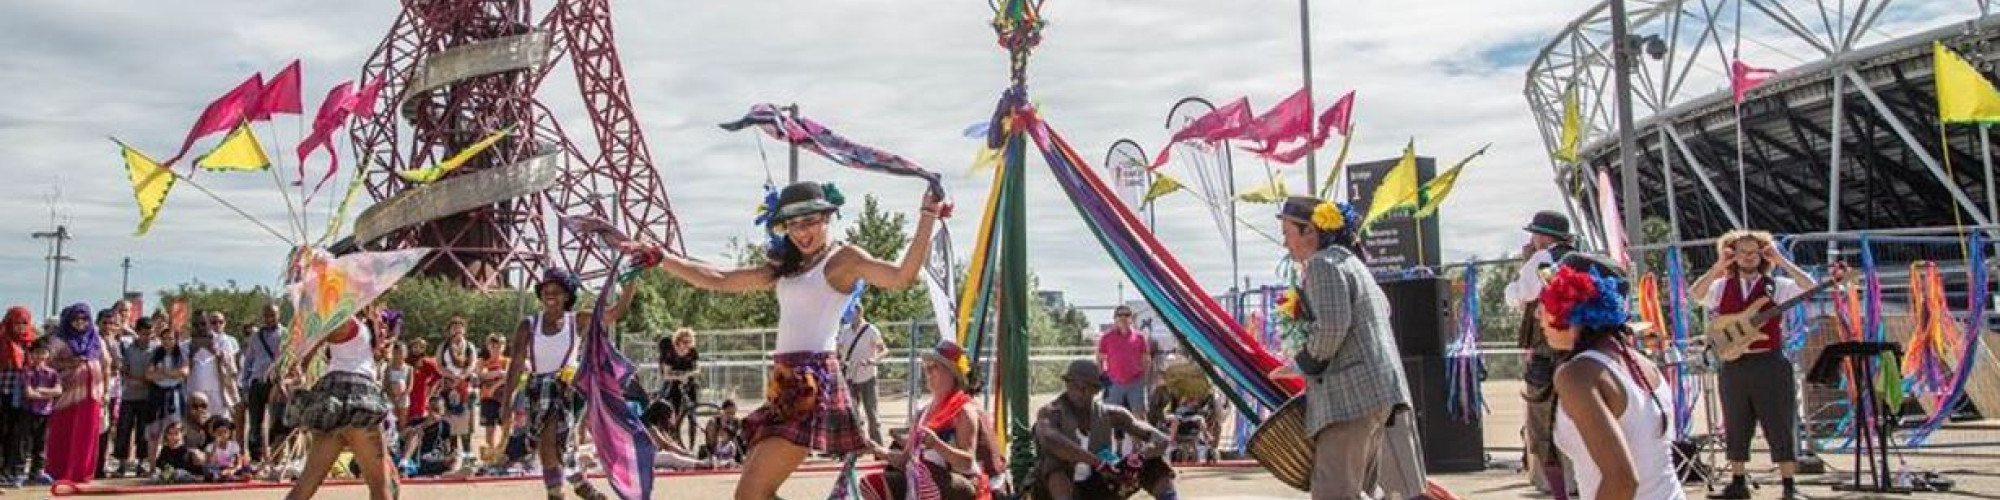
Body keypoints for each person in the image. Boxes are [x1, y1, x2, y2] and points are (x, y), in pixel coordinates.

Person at [625, 180, 943, 500]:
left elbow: (903, 277)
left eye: (809, 222)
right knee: (755, 494)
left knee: (750, 495)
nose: (802, 232)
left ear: (827, 218)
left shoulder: (842, 259)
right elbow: (720, 280)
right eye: (793, 224)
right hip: (784, 382)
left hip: (812, 384)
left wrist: (927, 214)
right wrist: (662, 258)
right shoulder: (787, 267)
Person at [1275, 197, 1414, 500]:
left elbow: (1332, 328)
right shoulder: (1352, 263)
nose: (1285, 243)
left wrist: (1305, 361)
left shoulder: (1324, 265)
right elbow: (1383, 309)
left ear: (1310, 231)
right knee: (1363, 489)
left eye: (1287, 233)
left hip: (1350, 398)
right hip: (1375, 393)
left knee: (1333, 492)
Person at [1539, 253, 1686, 500]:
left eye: (1545, 302)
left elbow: (1622, 481)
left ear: (1567, 306)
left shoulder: (1578, 375)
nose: (1538, 315)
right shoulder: (1640, 363)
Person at [1688, 230, 1816, 500]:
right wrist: (1718, 267)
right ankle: (1738, 482)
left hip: (1769, 361)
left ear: (1762, 254)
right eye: (1742, 252)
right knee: (1736, 421)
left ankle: (1789, 486)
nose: (1748, 257)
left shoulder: (1775, 285)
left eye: (1754, 251)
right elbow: (1696, 294)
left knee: (1779, 420)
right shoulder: (1721, 286)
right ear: (1732, 254)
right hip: (1734, 363)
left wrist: (1781, 261)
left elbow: (1809, 287)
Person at [497, 268, 636, 500]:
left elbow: (614, 313)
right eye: (546, 291)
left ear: (567, 296)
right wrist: (506, 403)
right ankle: (582, 486)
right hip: (537, 389)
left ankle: (556, 494)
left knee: (550, 440)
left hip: (566, 389)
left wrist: (631, 281)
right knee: (555, 446)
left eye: (557, 291)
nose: (550, 295)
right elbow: (516, 365)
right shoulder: (528, 325)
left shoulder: (577, 320)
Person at [281, 306, 398, 500]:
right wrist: (301, 363)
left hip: (335, 405)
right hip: (358, 399)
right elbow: (320, 333)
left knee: (307, 482)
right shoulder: (346, 319)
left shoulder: (361, 323)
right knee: (381, 484)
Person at [1503, 210, 1580, 499]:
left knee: (1542, 422)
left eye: (1535, 233)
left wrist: (1523, 269)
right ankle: (1576, 483)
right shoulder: (1577, 259)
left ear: (1544, 236)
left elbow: (1518, 294)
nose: (1532, 239)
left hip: (1548, 353)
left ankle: (1556, 488)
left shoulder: (1542, 260)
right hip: (1578, 351)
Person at [861, 340, 994, 500]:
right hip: (921, 481)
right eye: (926, 367)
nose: (927, 371)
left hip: (958, 483)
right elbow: (905, 459)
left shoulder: (964, 411)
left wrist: (937, 444)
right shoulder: (922, 412)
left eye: (934, 367)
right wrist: (876, 449)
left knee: (926, 477)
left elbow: (966, 463)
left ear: (951, 373)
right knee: (871, 483)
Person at [1028, 360, 1176, 500]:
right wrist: (1098, 463)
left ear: (1097, 390)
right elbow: (1051, 439)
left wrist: (1141, 456)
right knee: (1055, 462)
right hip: (1053, 492)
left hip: (1097, 487)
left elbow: (1162, 439)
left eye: (1086, 388)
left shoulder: (1113, 414)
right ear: (1067, 385)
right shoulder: (1051, 412)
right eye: (1075, 386)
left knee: (1152, 462)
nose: (1080, 392)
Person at [46, 303, 113, 485]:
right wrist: (69, 363)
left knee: (87, 434)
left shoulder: (96, 339)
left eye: (84, 319)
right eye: (76, 319)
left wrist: (106, 391)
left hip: (92, 394)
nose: (80, 323)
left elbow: (106, 365)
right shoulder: (59, 340)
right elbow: (47, 363)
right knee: (64, 431)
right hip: (67, 394)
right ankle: (58, 471)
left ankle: (81, 472)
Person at [239, 304, 287, 463]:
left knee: (277, 421)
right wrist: (245, 383)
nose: (269, 319)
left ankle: (276, 457)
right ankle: (256, 458)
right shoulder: (256, 336)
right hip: (257, 381)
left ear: (279, 315)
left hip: (277, 382)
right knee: (255, 422)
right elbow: (249, 360)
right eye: (266, 316)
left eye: (272, 315)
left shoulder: (286, 334)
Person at [112, 315, 159, 477]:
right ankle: (122, 463)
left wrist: (145, 380)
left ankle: (141, 463)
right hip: (129, 395)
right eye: (144, 332)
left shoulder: (156, 348)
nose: (147, 336)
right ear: (138, 332)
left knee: (143, 431)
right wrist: (131, 379)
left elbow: (156, 371)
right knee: (123, 429)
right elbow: (123, 368)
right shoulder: (128, 347)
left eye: (150, 332)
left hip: (147, 395)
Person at [0, 307, 38, 486]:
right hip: (4, 391)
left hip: (23, 394)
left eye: (24, 323)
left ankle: (11, 469)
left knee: (18, 433)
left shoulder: (31, 343)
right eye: (17, 322)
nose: (21, 327)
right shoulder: (2, 339)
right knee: (3, 431)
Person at [837, 308, 887, 444]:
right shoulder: (845, 331)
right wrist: (841, 361)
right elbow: (838, 349)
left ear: (860, 313)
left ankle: (878, 448)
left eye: (852, 313)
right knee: (852, 415)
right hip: (850, 376)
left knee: (872, 413)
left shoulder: (871, 330)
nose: (849, 316)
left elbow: (884, 350)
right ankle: (856, 446)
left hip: (868, 376)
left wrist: (873, 360)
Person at [1096, 305, 1153, 423]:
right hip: (1114, 382)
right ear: (1115, 318)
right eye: (1119, 315)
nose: (1123, 318)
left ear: (1131, 318)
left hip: (1135, 382)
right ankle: (1115, 441)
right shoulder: (1106, 338)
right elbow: (1099, 358)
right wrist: (1102, 375)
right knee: (1110, 416)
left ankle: (1142, 441)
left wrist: (1145, 379)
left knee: (1140, 416)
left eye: (1126, 315)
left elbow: (1146, 359)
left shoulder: (1140, 337)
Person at [436, 317, 480, 455]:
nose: (457, 329)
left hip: (464, 387)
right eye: (453, 327)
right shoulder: (443, 346)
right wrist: (451, 376)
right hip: (448, 386)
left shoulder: (469, 346)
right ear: (449, 331)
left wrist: (461, 377)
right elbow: (439, 365)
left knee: (466, 423)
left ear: (464, 330)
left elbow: (472, 364)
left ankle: (468, 456)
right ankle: (452, 456)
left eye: (459, 327)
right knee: (451, 424)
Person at [185, 311, 238, 423]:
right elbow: (183, 371)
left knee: (220, 425)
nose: (200, 327)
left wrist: (215, 351)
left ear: (208, 323)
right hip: (195, 393)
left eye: (203, 324)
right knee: (197, 427)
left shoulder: (222, 341)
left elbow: (230, 366)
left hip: (218, 392)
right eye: (196, 324)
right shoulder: (186, 344)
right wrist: (191, 353)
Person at [20, 341, 60, 486]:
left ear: (48, 354)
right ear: (31, 354)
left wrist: (41, 391)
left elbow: (58, 391)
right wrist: (48, 393)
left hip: (46, 412)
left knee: (41, 443)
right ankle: (19, 473)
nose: (40, 356)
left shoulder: (52, 373)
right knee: (25, 443)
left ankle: (36, 473)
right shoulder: (27, 371)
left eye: (43, 352)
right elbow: (29, 393)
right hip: (29, 411)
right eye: (36, 352)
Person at [148, 322, 191, 455]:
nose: (167, 341)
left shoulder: (181, 353)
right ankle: (154, 465)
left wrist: (164, 373)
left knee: (175, 428)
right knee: (155, 430)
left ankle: (178, 461)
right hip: (158, 393)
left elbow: (184, 372)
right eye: (165, 338)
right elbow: (149, 374)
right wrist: (172, 373)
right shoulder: (156, 353)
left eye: (171, 338)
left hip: (175, 393)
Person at [656, 327, 701, 430]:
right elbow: (666, 375)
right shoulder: (671, 353)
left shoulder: (692, 352)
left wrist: (687, 375)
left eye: (689, 341)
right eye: (685, 342)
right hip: (675, 384)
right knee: (675, 410)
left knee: (692, 413)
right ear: (678, 341)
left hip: (690, 383)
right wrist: (678, 377)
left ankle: (691, 441)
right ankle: (673, 434)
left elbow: (697, 369)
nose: (687, 344)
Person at [476, 333, 511, 455]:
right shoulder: (482, 361)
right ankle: (491, 453)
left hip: (504, 399)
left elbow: (508, 376)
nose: (496, 349)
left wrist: (495, 385)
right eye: (493, 346)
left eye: (499, 346)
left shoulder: (507, 361)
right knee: (489, 429)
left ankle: (504, 453)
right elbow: (481, 375)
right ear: (488, 346)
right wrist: (498, 373)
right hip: (487, 399)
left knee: (505, 428)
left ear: (504, 347)